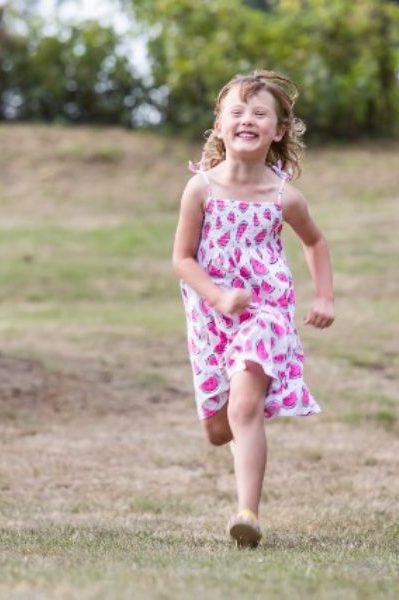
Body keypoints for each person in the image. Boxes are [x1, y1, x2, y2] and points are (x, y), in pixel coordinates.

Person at [171, 70, 335, 548]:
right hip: (210, 317)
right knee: (218, 429)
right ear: (219, 127)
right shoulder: (199, 189)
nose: (248, 119)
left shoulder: (284, 196)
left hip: (265, 313)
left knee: (245, 408)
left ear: (278, 130)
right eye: (236, 112)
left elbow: (315, 241)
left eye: (259, 113)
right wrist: (219, 297)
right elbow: (182, 259)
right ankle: (231, 430)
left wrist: (323, 295)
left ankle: (248, 513)